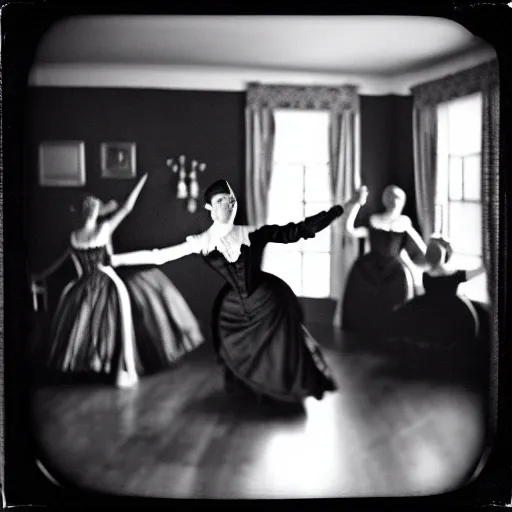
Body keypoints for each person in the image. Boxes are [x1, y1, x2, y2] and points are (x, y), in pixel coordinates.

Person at [112, 179, 349, 404]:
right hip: (234, 307)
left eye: (232, 199)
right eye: (222, 200)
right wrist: (117, 259)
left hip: (267, 298)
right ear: (210, 208)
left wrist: (341, 209)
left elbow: (296, 231)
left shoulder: (250, 232)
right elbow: (158, 255)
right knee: (239, 349)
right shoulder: (201, 241)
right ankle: (250, 392)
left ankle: (280, 392)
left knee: (280, 346)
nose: (230, 204)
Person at [29, 174, 204, 388]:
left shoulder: (74, 235)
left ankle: (96, 365)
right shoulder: (102, 229)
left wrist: (40, 275)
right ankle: (116, 368)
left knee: (86, 323)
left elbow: (57, 263)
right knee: (116, 319)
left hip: (82, 285)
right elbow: (128, 207)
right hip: (106, 279)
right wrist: (141, 182)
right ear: (93, 212)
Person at [342, 184, 427, 337]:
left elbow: (422, 248)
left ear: (403, 201)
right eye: (390, 196)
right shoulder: (374, 219)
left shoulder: (404, 222)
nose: (393, 200)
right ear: (384, 199)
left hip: (394, 270)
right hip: (367, 268)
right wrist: (355, 204)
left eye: (397, 197)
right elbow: (350, 230)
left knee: (394, 305)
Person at [385, 235, 485, 351]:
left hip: (429, 307)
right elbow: (476, 272)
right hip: (451, 311)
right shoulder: (453, 275)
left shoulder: (426, 274)